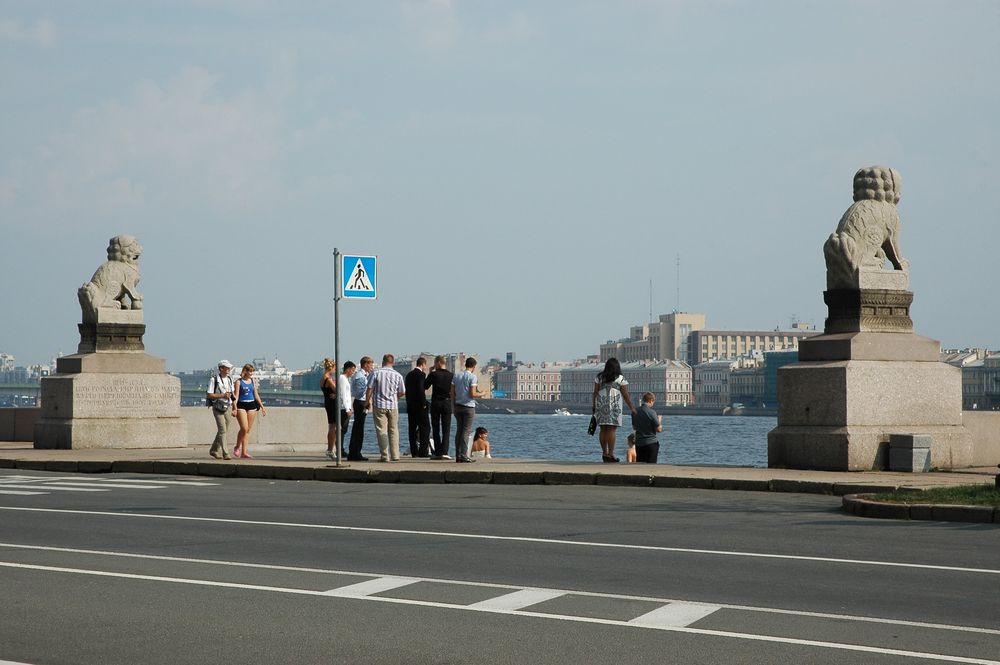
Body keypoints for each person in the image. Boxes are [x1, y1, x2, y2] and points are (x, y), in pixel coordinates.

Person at [591, 357, 636, 463]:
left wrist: (594, 406)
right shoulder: (620, 378)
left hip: (601, 405)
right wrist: (632, 408)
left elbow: (595, 392)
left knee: (603, 429)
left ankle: (604, 453)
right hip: (614, 407)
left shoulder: (599, 377)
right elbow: (625, 395)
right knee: (611, 430)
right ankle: (611, 454)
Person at [366, 354, 406, 462]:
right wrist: (395, 397)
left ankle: (384, 456)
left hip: (379, 405)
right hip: (393, 406)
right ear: (393, 362)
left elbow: (369, 388)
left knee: (381, 430)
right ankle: (395, 455)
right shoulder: (398, 375)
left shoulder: (376, 372)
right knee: (393, 430)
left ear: (383, 361)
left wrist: (367, 401)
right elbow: (402, 391)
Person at [451, 357, 486, 463]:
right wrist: (482, 393)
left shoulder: (456, 375)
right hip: (468, 407)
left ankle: (458, 455)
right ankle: (464, 455)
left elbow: (452, 392)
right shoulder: (473, 377)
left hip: (457, 406)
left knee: (459, 431)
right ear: (474, 367)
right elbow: (473, 394)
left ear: (465, 364)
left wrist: (453, 406)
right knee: (466, 432)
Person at [233, 363, 266, 459]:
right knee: (244, 428)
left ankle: (244, 452)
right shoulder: (239, 382)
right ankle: (237, 446)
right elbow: (236, 396)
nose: (251, 373)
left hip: (251, 405)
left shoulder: (252, 381)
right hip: (241, 405)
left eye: (252, 371)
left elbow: (256, 395)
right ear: (245, 371)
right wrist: (234, 407)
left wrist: (262, 406)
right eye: (249, 371)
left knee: (248, 430)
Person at [425, 355, 454, 460]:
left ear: (437, 363)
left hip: (436, 403)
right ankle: (445, 451)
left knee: (436, 427)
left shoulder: (433, 374)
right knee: (446, 428)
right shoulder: (451, 375)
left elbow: (425, 386)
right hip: (447, 403)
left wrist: (429, 372)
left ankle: (437, 452)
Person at [206, 360, 235, 460]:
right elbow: (209, 394)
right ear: (221, 368)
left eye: (229, 368)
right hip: (217, 407)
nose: (228, 370)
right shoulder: (214, 380)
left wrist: (234, 407)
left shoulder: (230, 379)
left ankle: (214, 450)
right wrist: (222, 395)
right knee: (222, 430)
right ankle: (225, 453)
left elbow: (232, 395)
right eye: (227, 368)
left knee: (223, 430)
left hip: (228, 406)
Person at [347, 356, 374, 461]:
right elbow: (359, 392)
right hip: (360, 402)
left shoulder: (363, 375)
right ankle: (355, 453)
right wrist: (368, 394)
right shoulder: (360, 376)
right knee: (358, 429)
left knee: (359, 428)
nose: (371, 366)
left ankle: (355, 451)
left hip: (361, 402)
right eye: (370, 364)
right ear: (365, 364)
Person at [405, 357, 432, 458]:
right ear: (423, 364)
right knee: (425, 428)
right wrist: (424, 402)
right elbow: (421, 388)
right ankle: (423, 451)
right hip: (420, 406)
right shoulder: (421, 375)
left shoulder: (409, 375)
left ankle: (414, 451)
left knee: (412, 429)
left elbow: (407, 390)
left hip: (410, 405)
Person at [631, 392, 663, 463]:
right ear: (651, 400)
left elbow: (634, 427)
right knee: (651, 466)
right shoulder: (652, 412)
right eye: (653, 402)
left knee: (640, 466)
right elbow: (659, 429)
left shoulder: (634, 411)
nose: (653, 404)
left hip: (639, 443)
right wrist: (659, 420)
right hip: (651, 443)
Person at [320, 358, 339, 460]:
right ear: (332, 368)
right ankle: (330, 450)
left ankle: (330, 449)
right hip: (332, 404)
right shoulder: (328, 379)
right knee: (333, 427)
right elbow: (338, 390)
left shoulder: (322, 378)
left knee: (332, 426)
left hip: (328, 402)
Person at [337, 361, 356, 458]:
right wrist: (347, 409)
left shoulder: (345, 379)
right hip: (344, 408)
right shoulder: (343, 379)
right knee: (342, 430)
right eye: (352, 370)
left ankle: (340, 449)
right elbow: (343, 394)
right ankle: (340, 450)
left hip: (345, 407)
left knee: (343, 430)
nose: (353, 372)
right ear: (348, 369)